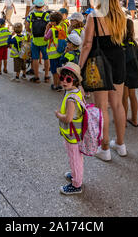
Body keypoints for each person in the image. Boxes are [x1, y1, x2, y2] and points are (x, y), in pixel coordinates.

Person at [79, 0, 127, 161]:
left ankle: (105, 148)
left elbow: (87, 44)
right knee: (118, 104)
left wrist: (79, 67)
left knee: (101, 107)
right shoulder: (121, 16)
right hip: (118, 60)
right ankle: (120, 145)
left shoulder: (94, 16)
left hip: (100, 62)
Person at [55, 62, 84, 195]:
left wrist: (58, 115)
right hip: (75, 134)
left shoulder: (71, 99)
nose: (64, 82)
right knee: (75, 157)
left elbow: (68, 118)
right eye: (62, 78)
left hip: (73, 135)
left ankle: (76, 184)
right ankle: (75, 174)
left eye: (68, 79)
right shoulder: (76, 91)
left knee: (74, 158)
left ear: (75, 81)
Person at [25, 0, 50, 83]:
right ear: (43, 5)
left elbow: (27, 26)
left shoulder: (31, 15)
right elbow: (50, 26)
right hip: (45, 40)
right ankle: (46, 76)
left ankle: (36, 77)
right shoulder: (46, 15)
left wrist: (31, 32)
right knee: (46, 58)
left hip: (35, 40)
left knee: (35, 58)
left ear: (35, 6)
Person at [122, 19, 138, 127]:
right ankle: (134, 119)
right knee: (132, 96)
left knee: (124, 97)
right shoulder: (133, 41)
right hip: (133, 72)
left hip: (125, 72)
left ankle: (123, 120)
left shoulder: (121, 41)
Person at [44, 11, 66, 91]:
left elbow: (45, 38)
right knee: (59, 69)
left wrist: (46, 29)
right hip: (60, 52)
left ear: (53, 22)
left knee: (54, 70)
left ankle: (55, 84)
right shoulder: (62, 28)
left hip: (53, 53)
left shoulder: (51, 30)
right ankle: (60, 84)